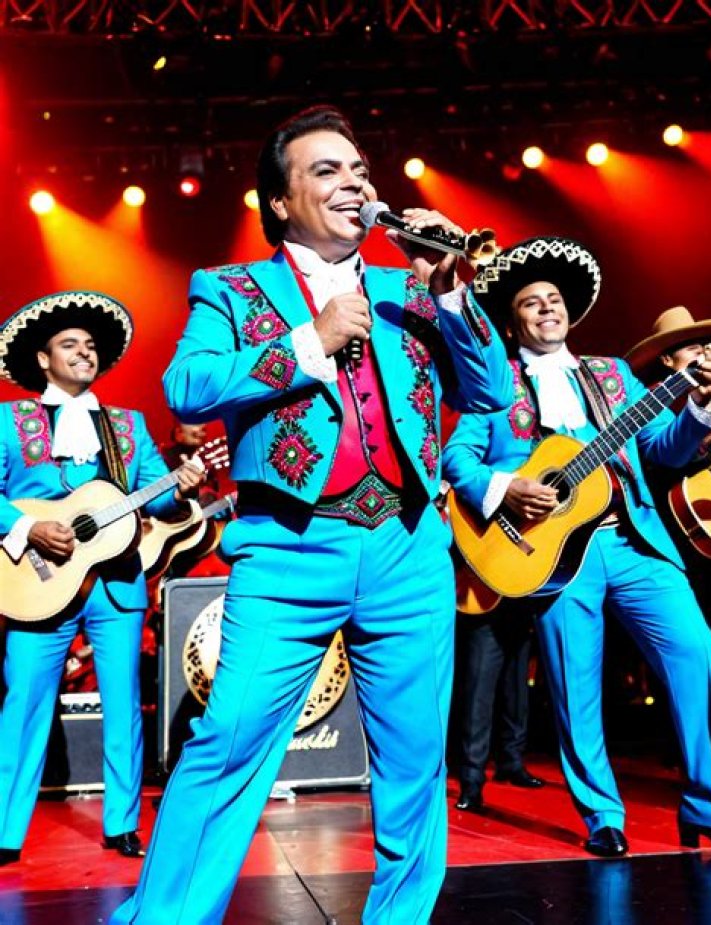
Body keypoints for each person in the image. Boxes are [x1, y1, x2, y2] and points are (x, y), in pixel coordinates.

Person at [110, 104, 513, 925]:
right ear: (281, 201)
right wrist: (308, 341)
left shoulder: (410, 290)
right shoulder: (231, 288)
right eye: (326, 171)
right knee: (227, 739)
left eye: (359, 169)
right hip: (289, 546)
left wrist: (454, 295)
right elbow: (186, 386)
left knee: (413, 759)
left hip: (408, 544)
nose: (353, 183)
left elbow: (492, 393)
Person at [442, 236, 711, 858]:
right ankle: (602, 814)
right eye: (532, 302)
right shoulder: (494, 384)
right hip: (552, 556)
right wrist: (506, 489)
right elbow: (456, 458)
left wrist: (701, 408)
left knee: (700, 654)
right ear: (512, 322)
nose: (548, 307)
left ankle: (709, 803)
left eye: (555, 299)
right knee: (576, 686)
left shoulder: (614, 375)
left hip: (632, 539)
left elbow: (662, 450)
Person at [0, 291, 205, 865]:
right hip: (37, 581)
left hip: (116, 584)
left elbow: (156, 502)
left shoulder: (127, 426)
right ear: (43, 359)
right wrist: (28, 528)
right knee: (23, 705)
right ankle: (4, 831)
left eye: (90, 345)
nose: (84, 353)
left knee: (123, 705)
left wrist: (178, 489)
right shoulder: (8, 422)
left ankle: (121, 823)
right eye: (69, 344)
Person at [625, 306, 711, 635]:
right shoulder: (653, 402)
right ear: (667, 359)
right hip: (680, 531)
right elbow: (669, 454)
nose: (704, 352)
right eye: (693, 347)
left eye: (707, 346)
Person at [454, 598, 545, 815]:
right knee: (479, 692)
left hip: (521, 602)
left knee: (517, 687)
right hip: (485, 602)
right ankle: (472, 778)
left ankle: (512, 762)